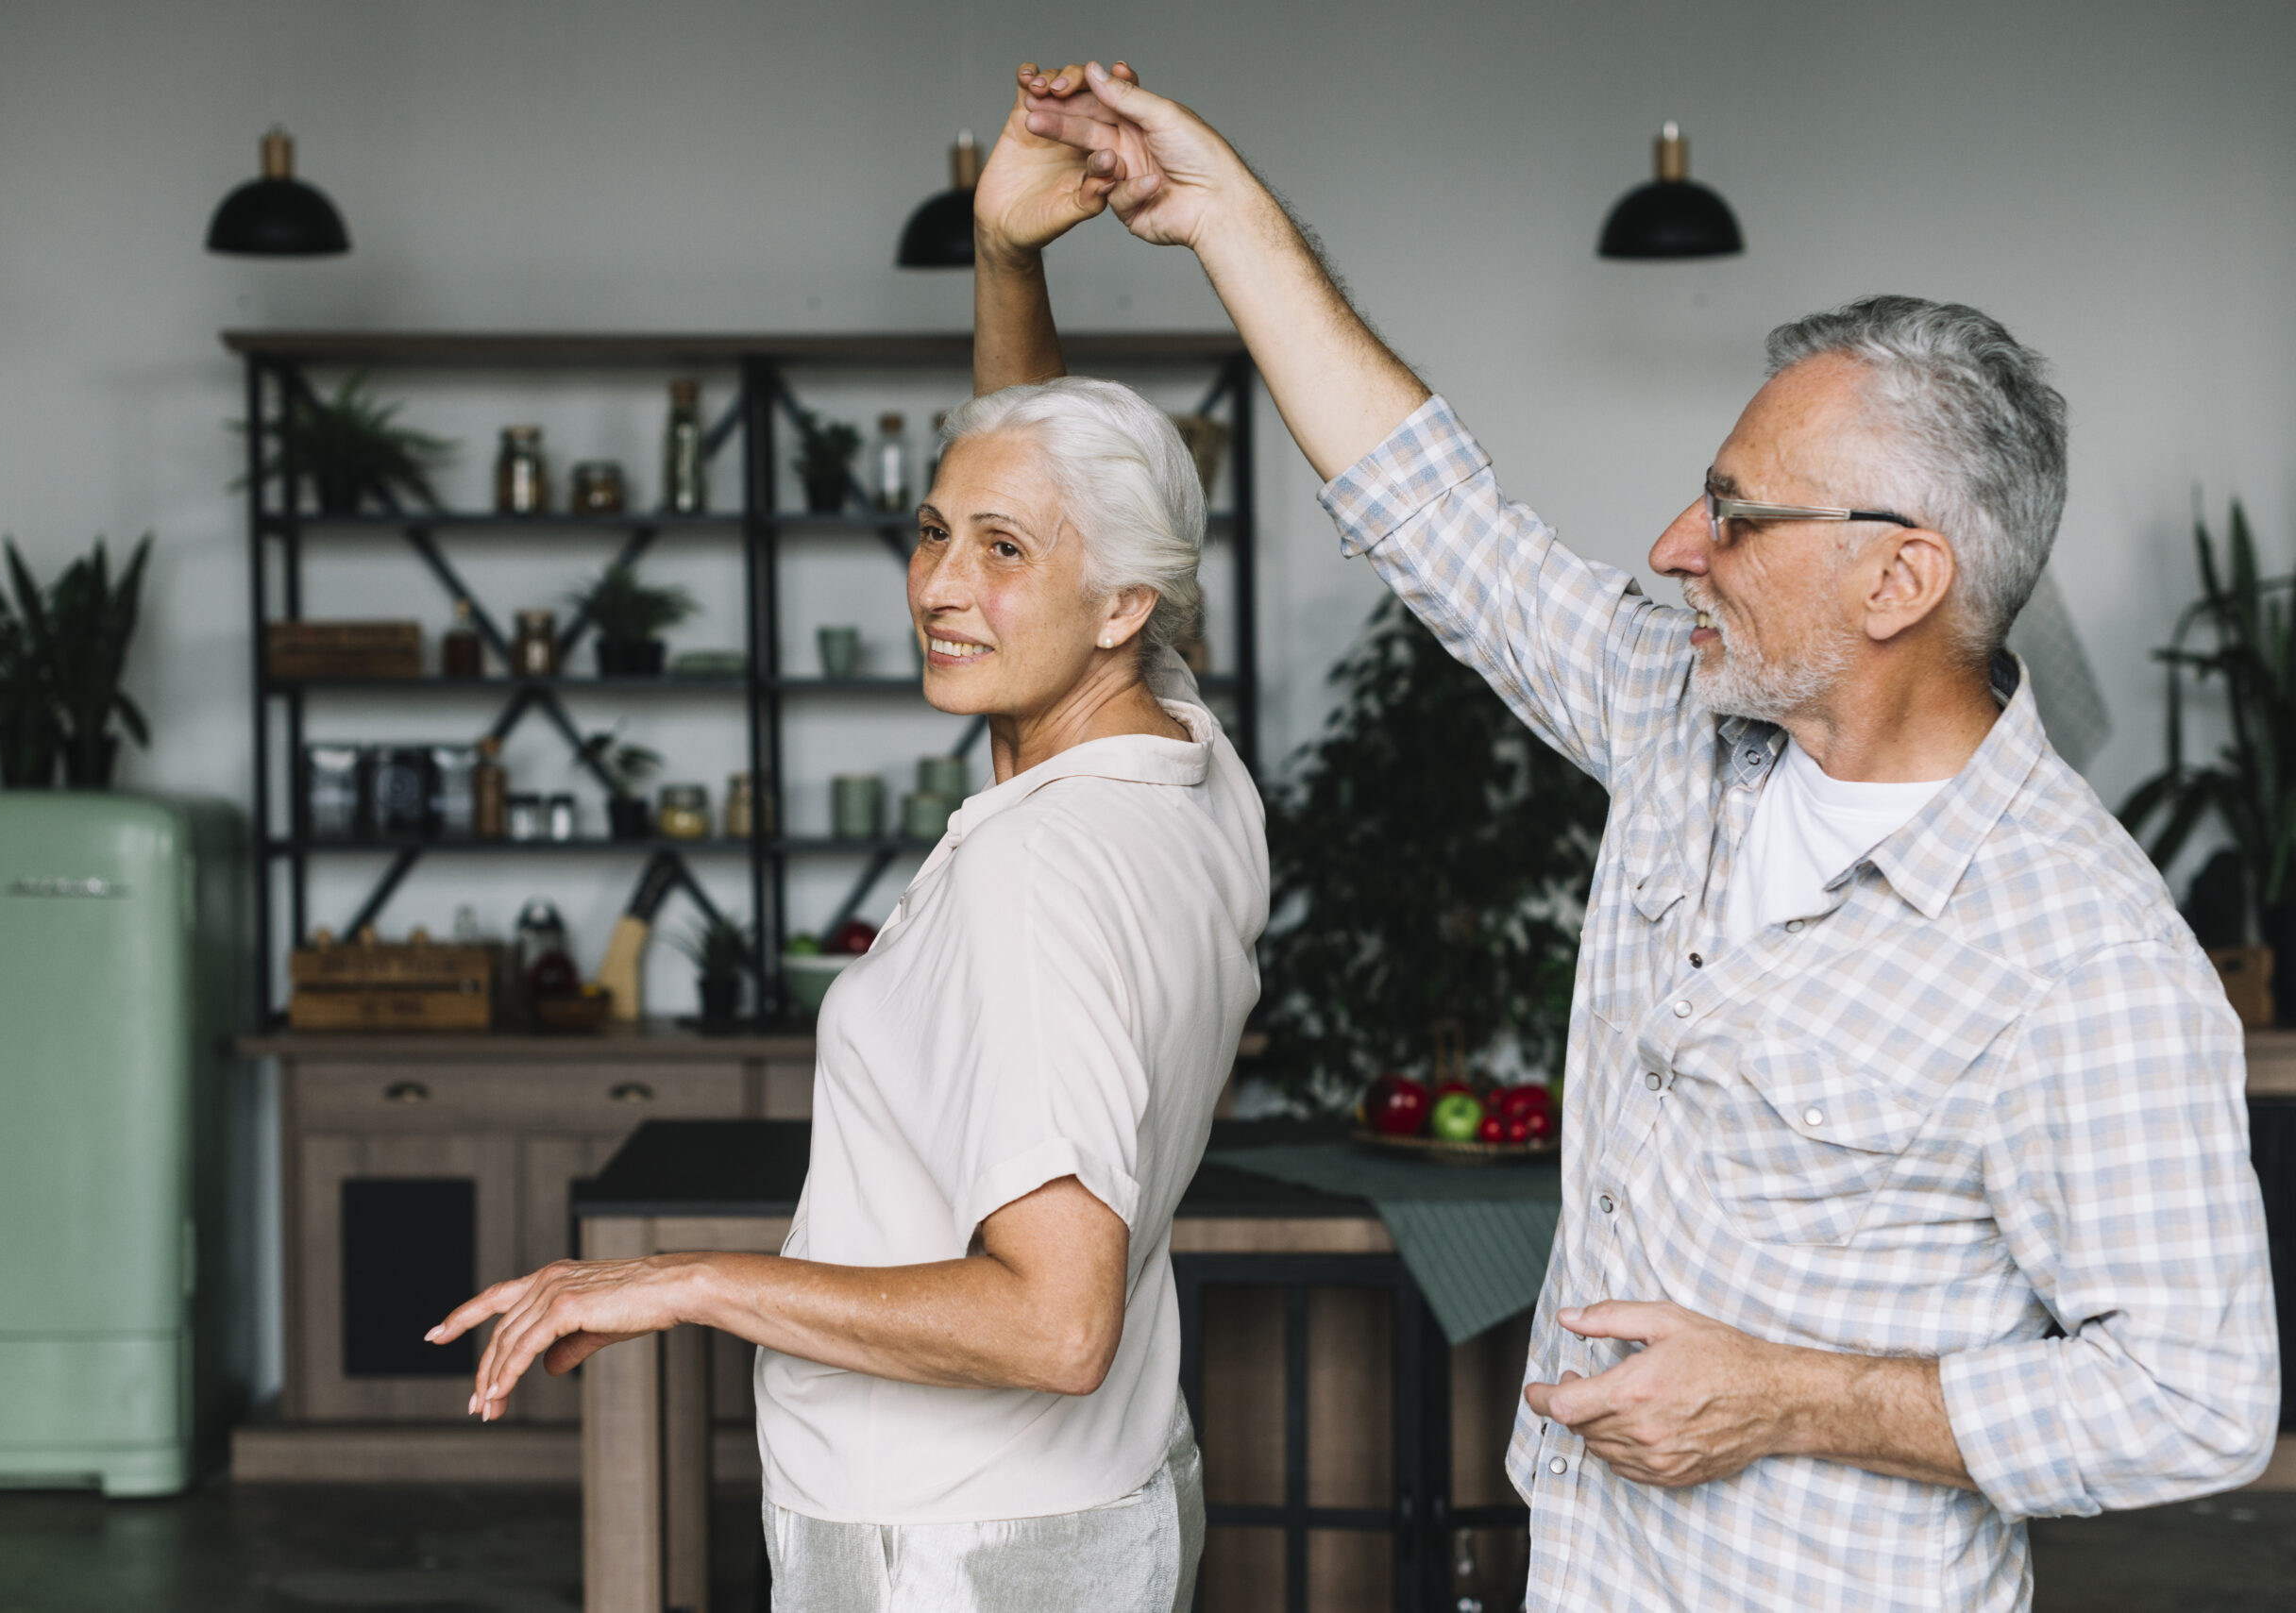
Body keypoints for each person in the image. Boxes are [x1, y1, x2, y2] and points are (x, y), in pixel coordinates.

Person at [973, 59, 2281, 1611]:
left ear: (1898, 581)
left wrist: (1792, 1393)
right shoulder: (1683, 716)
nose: (1675, 547)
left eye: (1735, 513)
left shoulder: (2082, 951)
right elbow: (1434, 510)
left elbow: (2197, 1397)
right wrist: (1220, 215)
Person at [429, 373, 1266, 1612]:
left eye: (1001, 549)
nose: (938, 584)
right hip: (1098, 1500)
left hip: (951, 1549)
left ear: (1124, 603)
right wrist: (1003, 247)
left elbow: (1056, 1324)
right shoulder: (1192, 768)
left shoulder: (1034, 868)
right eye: (933, 530)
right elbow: (1045, 459)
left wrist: (685, 1279)